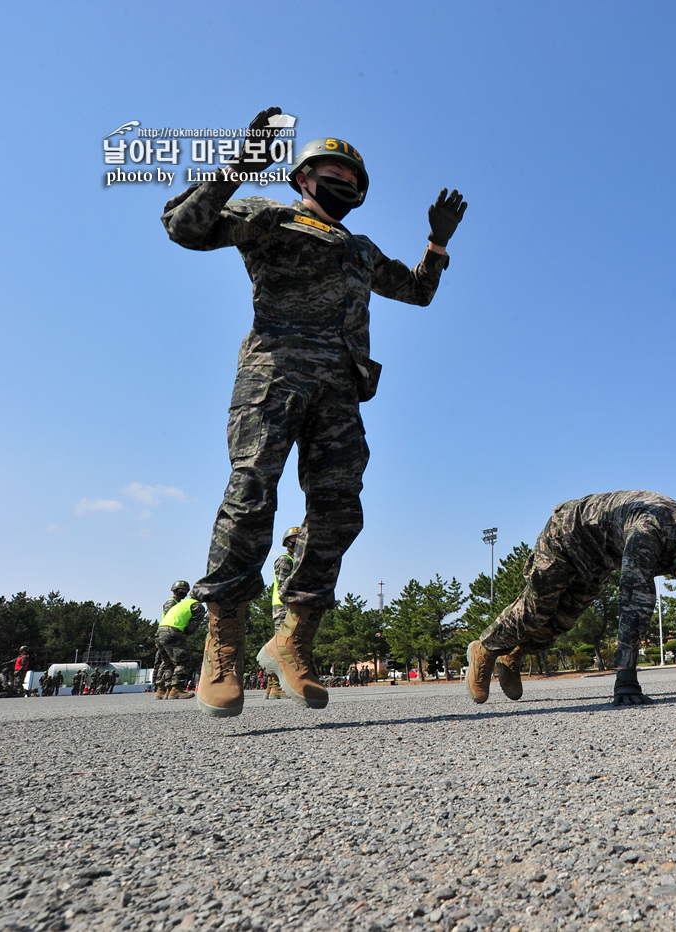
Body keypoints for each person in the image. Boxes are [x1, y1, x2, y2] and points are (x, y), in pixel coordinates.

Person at [162, 108, 467, 717]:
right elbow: (183, 227)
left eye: (355, 180)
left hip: (340, 393)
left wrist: (436, 244)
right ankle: (223, 640)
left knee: (339, 512)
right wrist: (236, 168)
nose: (346, 185)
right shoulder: (267, 216)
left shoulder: (359, 248)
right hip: (273, 377)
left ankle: (292, 637)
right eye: (335, 173)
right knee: (252, 492)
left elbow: (418, 290)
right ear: (304, 177)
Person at [465, 492, 676, 706]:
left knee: (565, 618)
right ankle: (487, 648)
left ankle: (514, 653)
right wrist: (626, 680)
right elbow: (634, 602)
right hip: (567, 535)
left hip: (601, 555)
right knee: (539, 606)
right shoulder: (648, 530)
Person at [266, 526, 303, 699]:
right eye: (294, 539)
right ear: (287, 542)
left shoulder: (298, 560)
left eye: (299, 538)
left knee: (285, 646)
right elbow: (283, 588)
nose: (297, 542)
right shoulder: (285, 560)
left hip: (291, 607)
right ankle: (275, 686)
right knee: (281, 648)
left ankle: (272, 686)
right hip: (283, 607)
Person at [157, 581, 203, 700]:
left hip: (160, 632)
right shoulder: (196, 605)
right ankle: (176, 689)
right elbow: (192, 626)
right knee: (183, 661)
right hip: (173, 632)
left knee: (168, 664)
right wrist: (186, 633)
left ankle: (165, 690)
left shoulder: (181, 604)